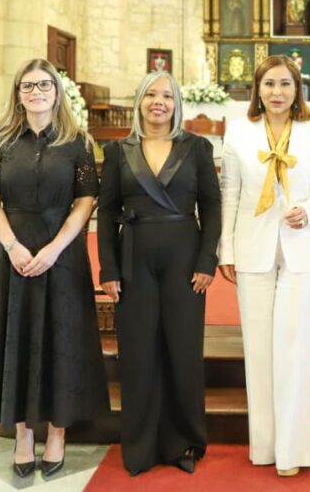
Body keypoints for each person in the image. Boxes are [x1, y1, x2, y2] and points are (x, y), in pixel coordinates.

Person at [0, 58, 108, 479]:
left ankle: (57, 432)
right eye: (28, 86)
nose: (36, 92)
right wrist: (12, 246)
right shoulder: (0, 140)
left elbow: (85, 200)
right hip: (10, 254)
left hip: (61, 254)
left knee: (60, 338)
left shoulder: (76, 140)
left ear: (57, 91)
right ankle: (24, 433)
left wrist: (57, 248)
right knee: (17, 337)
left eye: (44, 85)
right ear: (17, 92)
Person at [218, 55, 310, 477]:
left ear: (297, 89)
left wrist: (308, 210)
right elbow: (229, 195)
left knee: (297, 351)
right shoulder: (237, 132)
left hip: (302, 251)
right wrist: (226, 250)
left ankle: (292, 451)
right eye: (269, 84)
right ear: (257, 88)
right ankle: (265, 447)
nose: (276, 92)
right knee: (258, 351)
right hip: (252, 250)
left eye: (285, 84)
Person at [97, 71, 221, 476]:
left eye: (167, 95)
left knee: (182, 351)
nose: (158, 102)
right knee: (138, 353)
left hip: (185, 256)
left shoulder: (197, 147)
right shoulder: (118, 152)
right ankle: (140, 445)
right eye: (151, 94)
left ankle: (183, 442)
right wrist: (109, 268)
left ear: (176, 103)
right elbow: (107, 213)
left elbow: (212, 209)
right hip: (134, 255)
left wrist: (207, 262)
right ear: (139, 101)